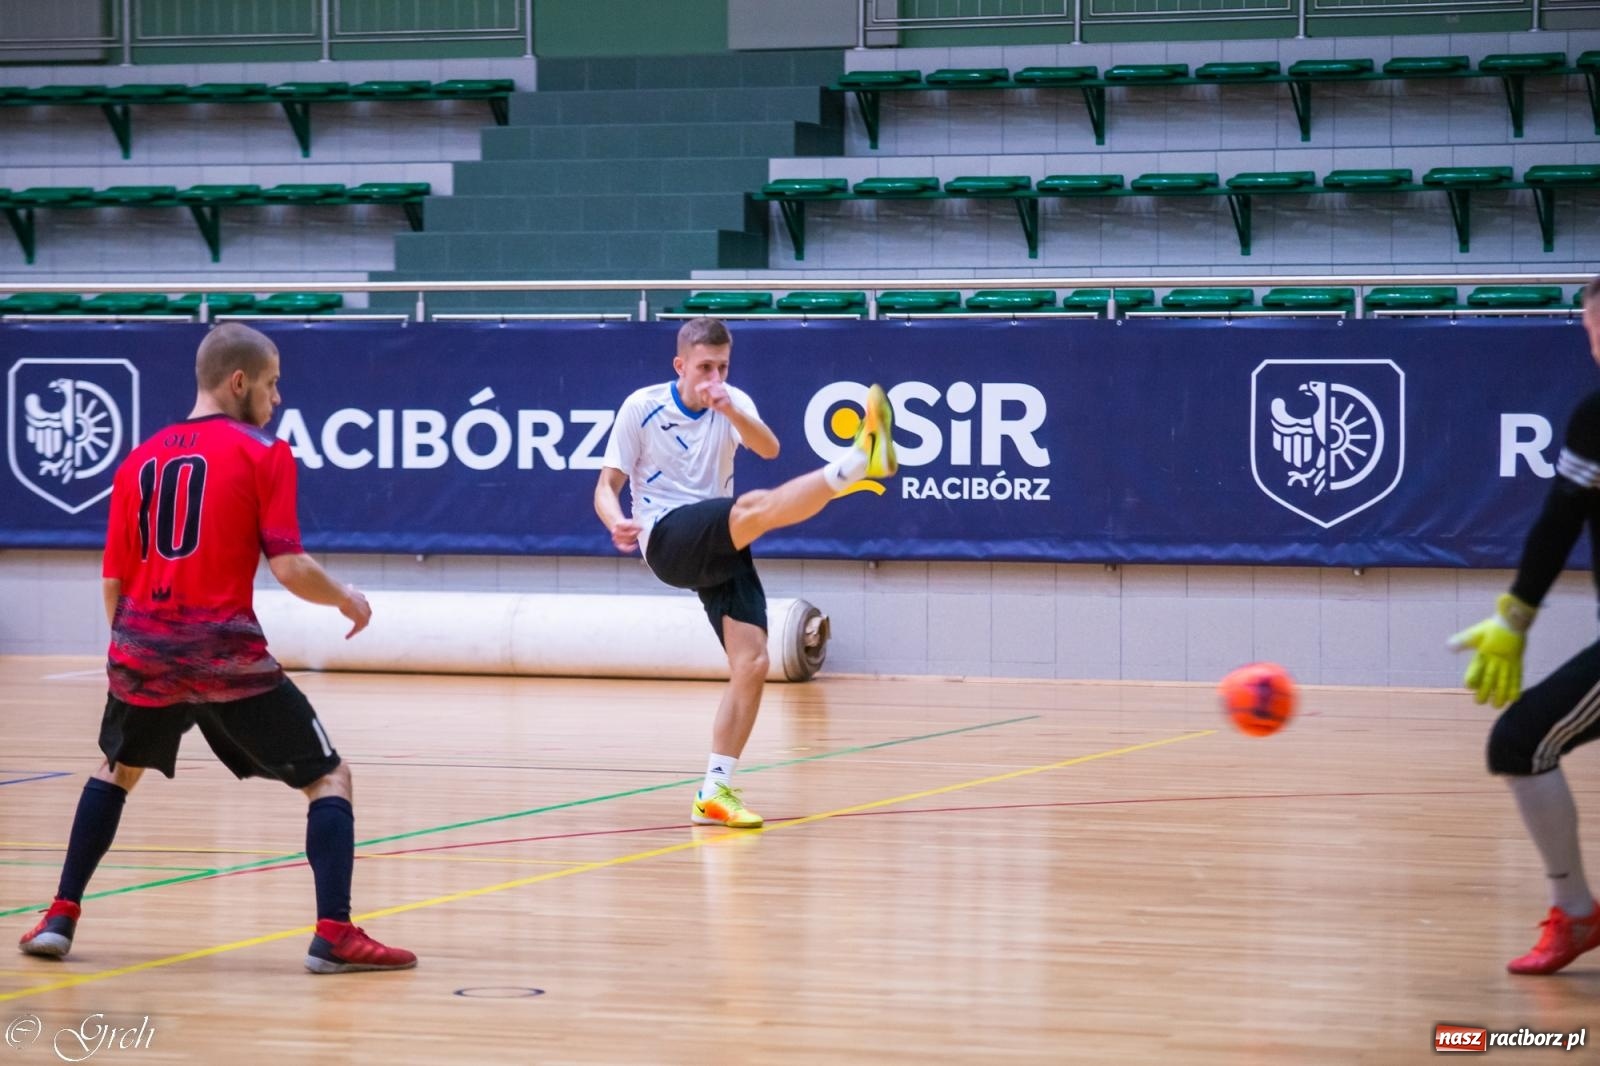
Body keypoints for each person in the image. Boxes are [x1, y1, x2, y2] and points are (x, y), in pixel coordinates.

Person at [18, 322, 415, 975]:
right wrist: (347, 597)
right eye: (272, 382)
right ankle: (334, 933)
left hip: (142, 644)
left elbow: (114, 581)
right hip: (222, 649)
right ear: (239, 382)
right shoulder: (265, 454)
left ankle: (60, 916)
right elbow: (289, 567)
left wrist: (128, 663)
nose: (278, 397)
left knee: (115, 769)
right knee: (329, 777)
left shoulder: (138, 459)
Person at [595, 317, 895, 828]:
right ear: (680, 366)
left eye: (723, 366)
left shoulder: (733, 401)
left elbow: (770, 448)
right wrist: (614, 520)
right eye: (705, 367)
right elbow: (606, 484)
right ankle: (855, 463)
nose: (714, 376)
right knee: (753, 506)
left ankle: (714, 790)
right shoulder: (640, 407)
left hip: (720, 537)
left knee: (753, 661)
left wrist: (730, 406)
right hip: (666, 537)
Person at [1450, 274, 1600, 976]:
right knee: (1518, 741)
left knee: (1519, 741)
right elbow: (1561, 518)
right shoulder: (1595, 419)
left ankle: (1575, 914)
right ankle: (1575, 914)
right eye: (1596, 334)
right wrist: (1514, 619)